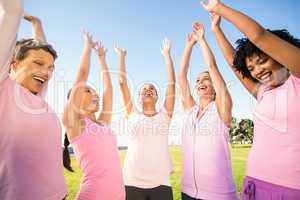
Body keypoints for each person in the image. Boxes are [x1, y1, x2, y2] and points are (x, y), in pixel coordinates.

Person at [202, 0, 300, 199]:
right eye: (252, 68)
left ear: (280, 54)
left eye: (262, 61)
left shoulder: (297, 80)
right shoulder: (263, 91)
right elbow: (234, 65)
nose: (257, 71)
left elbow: (259, 36)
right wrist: (216, 30)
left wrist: (218, 7)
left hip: (290, 189)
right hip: (254, 183)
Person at [0, 1, 67, 199]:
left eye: (51, 68)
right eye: (38, 63)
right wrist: (17, 11)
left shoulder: (37, 97)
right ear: (13, 64)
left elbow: (42, 50)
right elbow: (12, 11)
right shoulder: (5, 89)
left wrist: (37, 23)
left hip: (60, 195)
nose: (46, 72)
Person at [62, 30, 125, 200]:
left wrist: (102, 59)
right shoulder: (75, 123)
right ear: (74, 100)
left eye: (95, 92)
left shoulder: (103, 123)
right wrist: (87, 47)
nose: (95, 95)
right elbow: (81, 76)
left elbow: (108, 91)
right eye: (88, 91)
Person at [179, 22, 237, 200]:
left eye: (206, 80)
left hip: (218, 194)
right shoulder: (190, 110)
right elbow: (181, 76)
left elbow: (212, 67)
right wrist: (189, 46)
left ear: (214, 85)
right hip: (188, 192)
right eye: (197, 81)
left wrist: (202, 40)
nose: (200, 83)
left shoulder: (221, 108)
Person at [117, 39, 176, 200]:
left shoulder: (165, 115)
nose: (148, 90)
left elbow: (172, 84)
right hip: (131, 182)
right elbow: (122, 83)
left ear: (157, 96)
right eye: (144, 89)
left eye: (152, 89)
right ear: (139, 97)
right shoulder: (132, 114)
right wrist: (122, 57)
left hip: (161, 183)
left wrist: (166, 55)